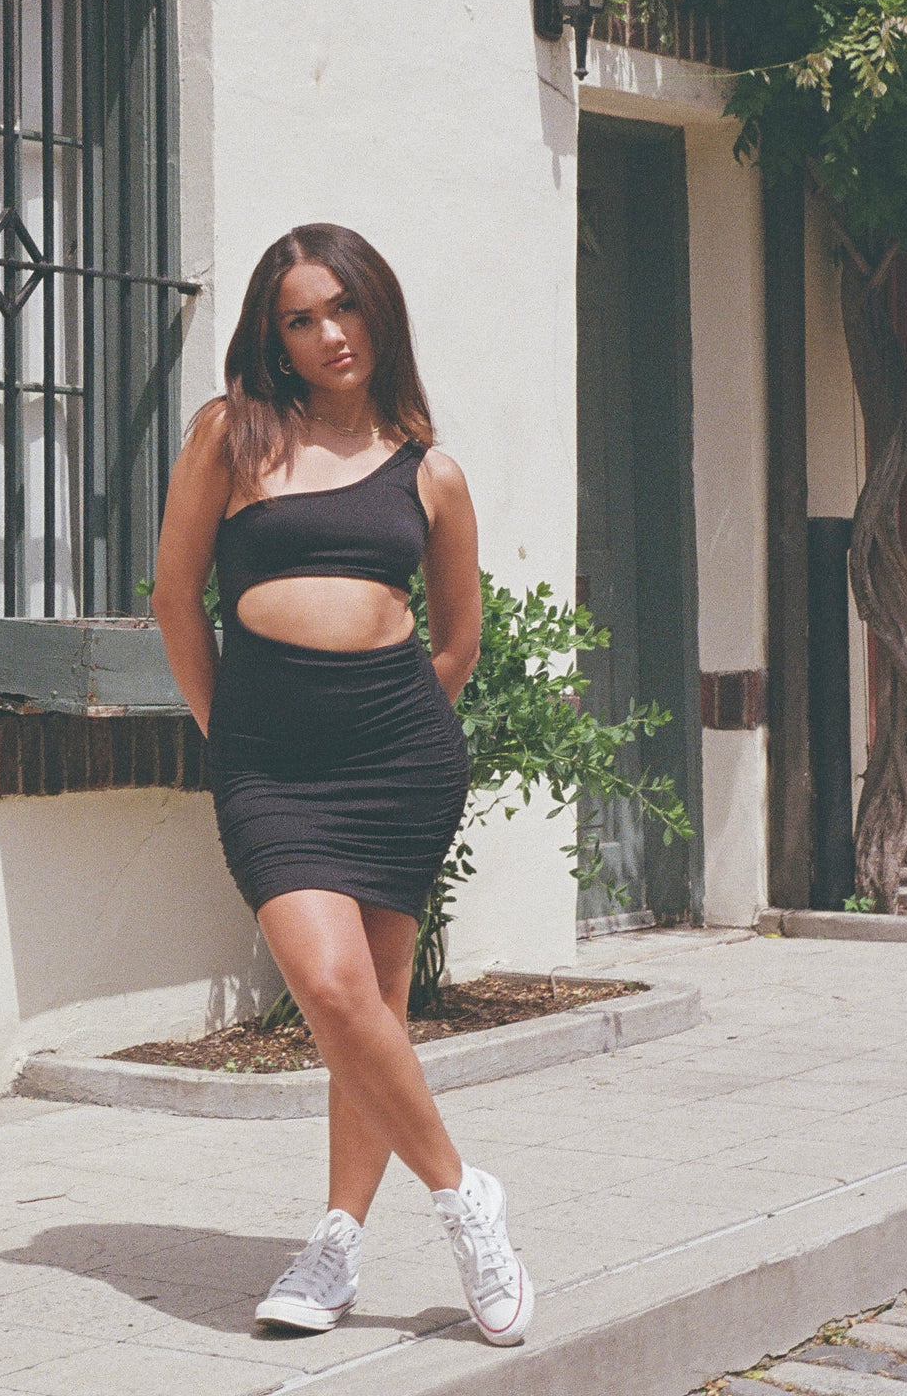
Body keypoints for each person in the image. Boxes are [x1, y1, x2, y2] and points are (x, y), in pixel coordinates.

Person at [151, 223, 532, 1348]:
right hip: (268, 765)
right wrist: (232, 738)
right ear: (273, 338)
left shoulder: (433, 473)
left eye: (343, 308)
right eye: (299, 319)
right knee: (327, 984)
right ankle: (468, 1199)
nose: (327, 334)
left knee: (368, 1011)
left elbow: (456, 646)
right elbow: (177, 599)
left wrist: (398, 731)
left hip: (396, 760)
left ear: (380, 312)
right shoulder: (232, 437)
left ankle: (335, 1245)